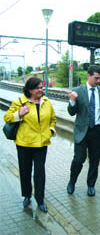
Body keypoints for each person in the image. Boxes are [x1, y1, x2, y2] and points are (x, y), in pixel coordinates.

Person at [4, 77, 56, 212]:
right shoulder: (20, 102)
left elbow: (53, 119)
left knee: (40, 173)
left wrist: (51, 130)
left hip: (41, 144)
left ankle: (40, 199)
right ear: (29, 90)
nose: (41, 90)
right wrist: (19, 113)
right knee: (25, 171)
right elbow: (7, 117)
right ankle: (26, 195)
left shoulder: (46, 102)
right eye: (38, 88)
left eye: (41, 87)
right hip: (24, 144)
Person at [66, 65, 100, 196]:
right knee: (78, 159)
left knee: (95, 161)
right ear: (89, 76)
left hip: (98, 132)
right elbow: (71, 113)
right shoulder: (77, 91)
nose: (98, 81)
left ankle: (91, 185)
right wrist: (72, 101)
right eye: (96, 78)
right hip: (82, 131)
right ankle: (72, 182)